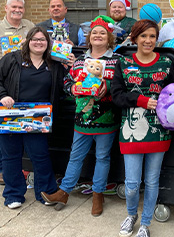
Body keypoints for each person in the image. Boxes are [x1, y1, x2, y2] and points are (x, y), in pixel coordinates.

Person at [41, 15, 121, 216]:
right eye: (94, 32)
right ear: (89, 37)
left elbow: (123, 85)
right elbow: (66, 84)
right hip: (82, 119)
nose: (98, 36)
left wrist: (108, 87)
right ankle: (64, 192)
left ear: (109, 37)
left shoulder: (116, 61)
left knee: (102, 157)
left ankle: (98, 194)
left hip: (107, 119)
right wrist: (74, 89)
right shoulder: (79, 62)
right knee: (75, 157)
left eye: (103, 32)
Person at [112, 19, 174, 237]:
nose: (148, 40)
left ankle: (145, 224)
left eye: (152, 36)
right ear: (135, 38)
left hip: (159, 130)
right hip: (129, 131)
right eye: (144, 36)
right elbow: (116, 96)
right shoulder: (123, 63)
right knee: (131, 184)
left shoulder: (167, 63)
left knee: (151, 181)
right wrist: (140, 100)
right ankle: (131, 215)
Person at [0, 26, 73, 209]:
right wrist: (2, 96)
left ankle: (46, 192)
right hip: (12, 116)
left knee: (40, 156)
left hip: (39, 119)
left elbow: (67, 87)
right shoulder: (12, 59)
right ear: (28, 41)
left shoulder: (54, 64)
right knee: (11, 156)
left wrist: (72, 66)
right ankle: (13, 194)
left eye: (42, 39)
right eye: (35, 39)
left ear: (48, 43)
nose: (38, 42)